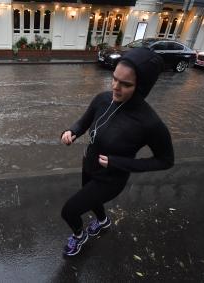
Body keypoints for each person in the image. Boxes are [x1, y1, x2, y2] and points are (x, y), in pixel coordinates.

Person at [60, 48, 174, 257]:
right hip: (89, 166)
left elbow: (166, 160)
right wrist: (71, 131)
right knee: (92, 202)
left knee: (69, 211)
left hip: (111, 179)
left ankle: (79, 236)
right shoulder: (103, 99)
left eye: (125, 84)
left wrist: (119, 162)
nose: (115, 87)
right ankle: (103, 221)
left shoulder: (150, 123)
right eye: (114, 79)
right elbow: (84, 122)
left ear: (141, 86)